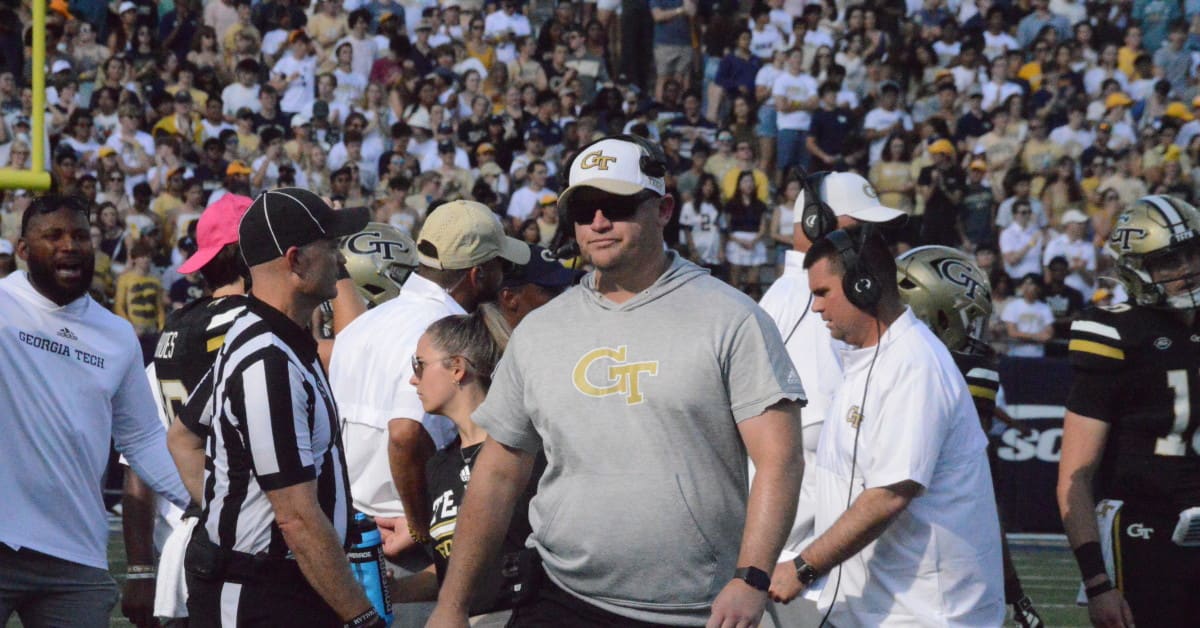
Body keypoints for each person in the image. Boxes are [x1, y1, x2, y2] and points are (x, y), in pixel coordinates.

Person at [427, 135, 806, 627]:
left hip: (694, 611)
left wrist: (752, 577)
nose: (599, 222)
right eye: (584, 211)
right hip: (558, 596)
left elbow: (780, 459)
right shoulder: (541, 330)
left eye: (618, 205)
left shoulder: (731, 318)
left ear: (664, 209)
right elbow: (498, 473)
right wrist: (452, 605)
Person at [168, 187, 385, 627]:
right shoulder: (267, 357)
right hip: (263, 593)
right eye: (331, 248)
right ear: (295, 260)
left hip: (284, 580)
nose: (342, 263)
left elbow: (184, 436)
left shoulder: (267, 334)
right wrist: (363, 618)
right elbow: (297, 520)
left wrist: (229, 509)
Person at [770, 227, 1004, 626]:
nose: (816, 308)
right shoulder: (867, 359)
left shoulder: (913, 366)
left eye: (823, 293)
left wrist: (804, 567)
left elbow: (889, 495)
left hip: (927, 615)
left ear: (863, 286)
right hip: (882, 609)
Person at [0, 195, 190, 627]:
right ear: (24, 251)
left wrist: (209, 498)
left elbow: (142, 440)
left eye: (81, 236)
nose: (70, 245)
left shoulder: (116, 334)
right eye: (53, 236)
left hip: (76, 555)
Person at [329, 200, 529, 566]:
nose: (505, 275)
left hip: (352, 527)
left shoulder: (365, 324)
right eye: (500, 264)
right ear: (478, 274)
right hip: (404, 540)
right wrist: (423, 530)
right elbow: (404, 435)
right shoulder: (445, 331)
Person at [758, 171, 906, 627]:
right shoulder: (810, 304)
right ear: (815, 221)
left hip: (796, 557)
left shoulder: (789, 296)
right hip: (801, 566)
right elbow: (816, 441)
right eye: (856, 227)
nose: (867, 241)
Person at [1058, 194, 1200, 628]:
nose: (1186, 270)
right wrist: (1098, 582)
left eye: (1192, 254)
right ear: (1137, 270)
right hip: (1145, 534)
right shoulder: (1117, 334)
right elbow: (1074, 477)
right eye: (1168, 262)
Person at [895, 245, 1044, 628]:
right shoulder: (963, 371)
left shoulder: (878, 363)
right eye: (964, 317)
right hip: (932, 567)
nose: (971, 332)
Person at [122, 194, 254, 628]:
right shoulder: (255, 329)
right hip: (240, 544)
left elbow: (138, 467)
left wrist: (140, 568)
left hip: (180, 545)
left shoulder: (174, 332)